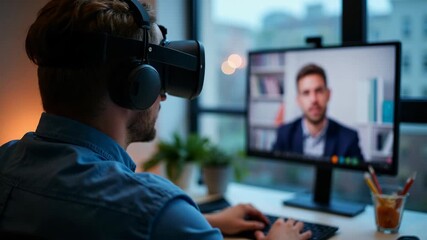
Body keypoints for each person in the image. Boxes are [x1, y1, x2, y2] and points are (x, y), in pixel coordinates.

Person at [0, 1, 311, 240]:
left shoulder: (6, 160)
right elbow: (143, 216)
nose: (162, 95)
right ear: (137, 85)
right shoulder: (157, 208)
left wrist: (201, 221)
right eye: (158, 75)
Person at [273, 63, 364, 161]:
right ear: (298, 100)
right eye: (306, 93)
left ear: (328, 95)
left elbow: (360, 175)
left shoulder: (349, 138)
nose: (313, 99)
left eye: (319, 91)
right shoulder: (284, 134)